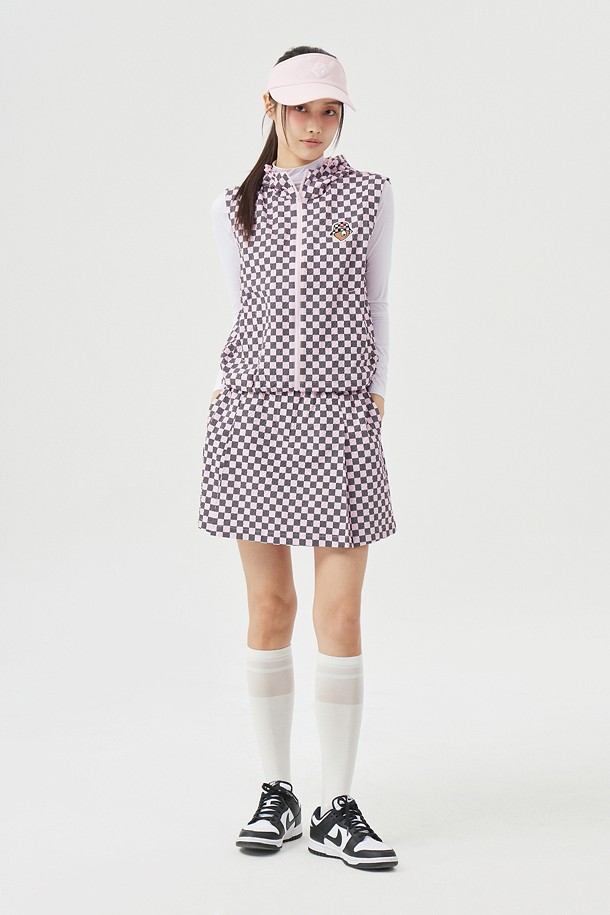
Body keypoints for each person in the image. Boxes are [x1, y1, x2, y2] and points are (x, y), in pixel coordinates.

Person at [198, 45, 398, 870]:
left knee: (340, 614)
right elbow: (241, 306)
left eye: (330, 111)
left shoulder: (372, 193)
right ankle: (275, 790)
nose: (315, 125)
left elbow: (378, 297)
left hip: (339, 414)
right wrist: (232, 385)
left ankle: (337, 805)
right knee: (271, 605)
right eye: (301, 109)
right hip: (255, 417)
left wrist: (377, 391)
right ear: (270, 106)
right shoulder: (233, 205)